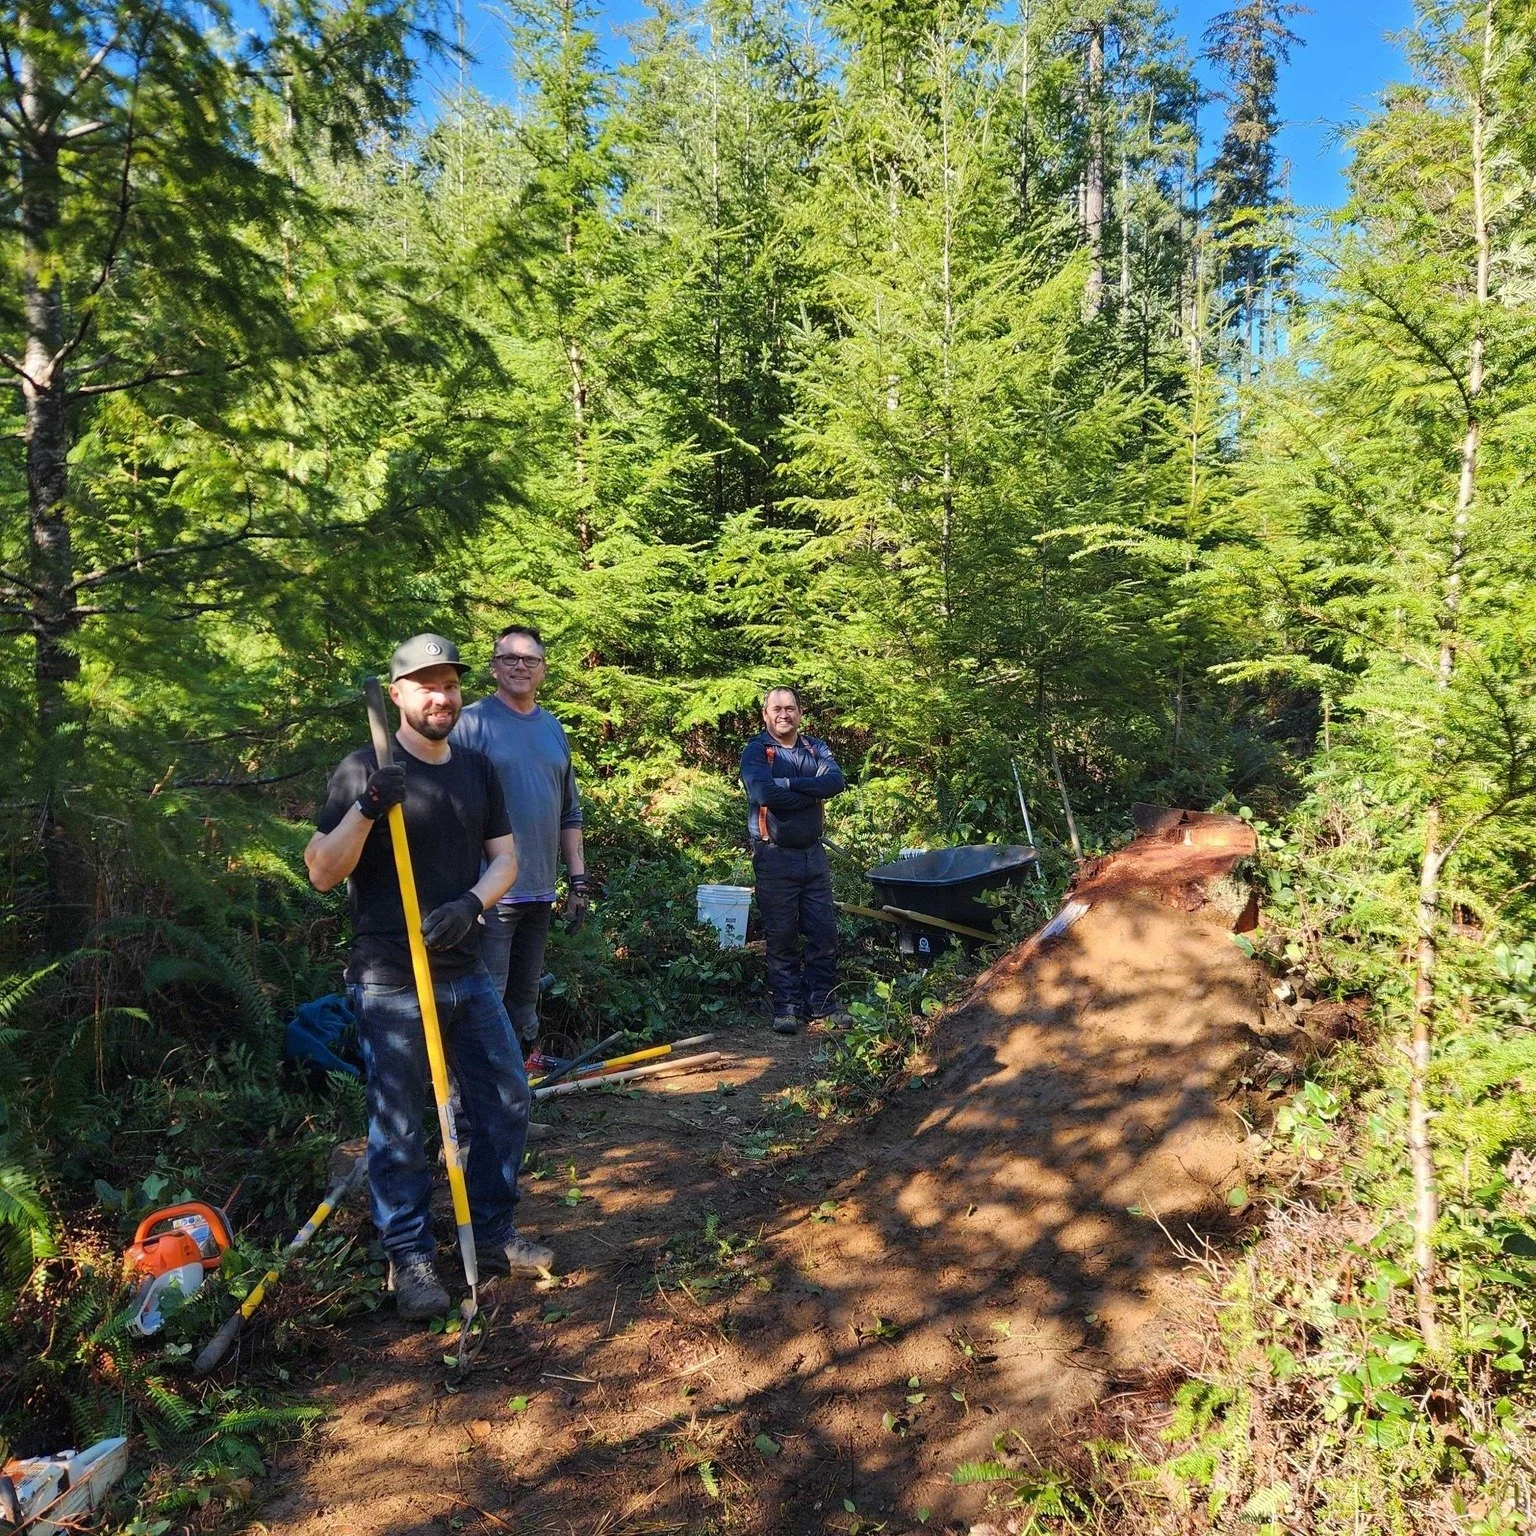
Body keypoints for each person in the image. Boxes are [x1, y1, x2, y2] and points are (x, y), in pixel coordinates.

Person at [305, 633, 554, 1320]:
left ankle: (496, 1234)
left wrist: (472, 903)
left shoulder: (475, 768)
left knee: (506, 1101)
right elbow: (322, 872)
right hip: (390, 978)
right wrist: (367, 808)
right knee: (400, 1126)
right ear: (398, 695)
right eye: (425, 685)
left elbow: (506, 860)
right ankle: (410, 1259)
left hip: (464, 970)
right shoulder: (363, 769)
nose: (440, 696)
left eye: (448, 683)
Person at [450, 624, 589, 1051]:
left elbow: (569, 812)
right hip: (489, 896)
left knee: (523, 1004)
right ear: (494, 667)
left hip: (540, 891)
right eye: (509, 658)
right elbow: (451, 813)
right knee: (482, 1005)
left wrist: (578, 882)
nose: (520, 666)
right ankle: (469, 1108)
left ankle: (516, 1104)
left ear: (543, 669)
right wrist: (464, 895)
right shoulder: (470, 724)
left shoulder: (553, 729)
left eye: (530, 659)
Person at [740, 687, 848, 1035]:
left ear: (800, 712)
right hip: (774, 856)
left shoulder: (815, 747)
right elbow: (762, 792)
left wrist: (788, 784)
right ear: (765, 715)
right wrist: (807, 788)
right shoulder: (757, 751)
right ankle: (786, 1008)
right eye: (776, 709)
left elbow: (835, 781)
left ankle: (822, 1004)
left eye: (790, 708)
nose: (783, 714)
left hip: (813, 856)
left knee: (824, 932)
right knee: (781, 935)